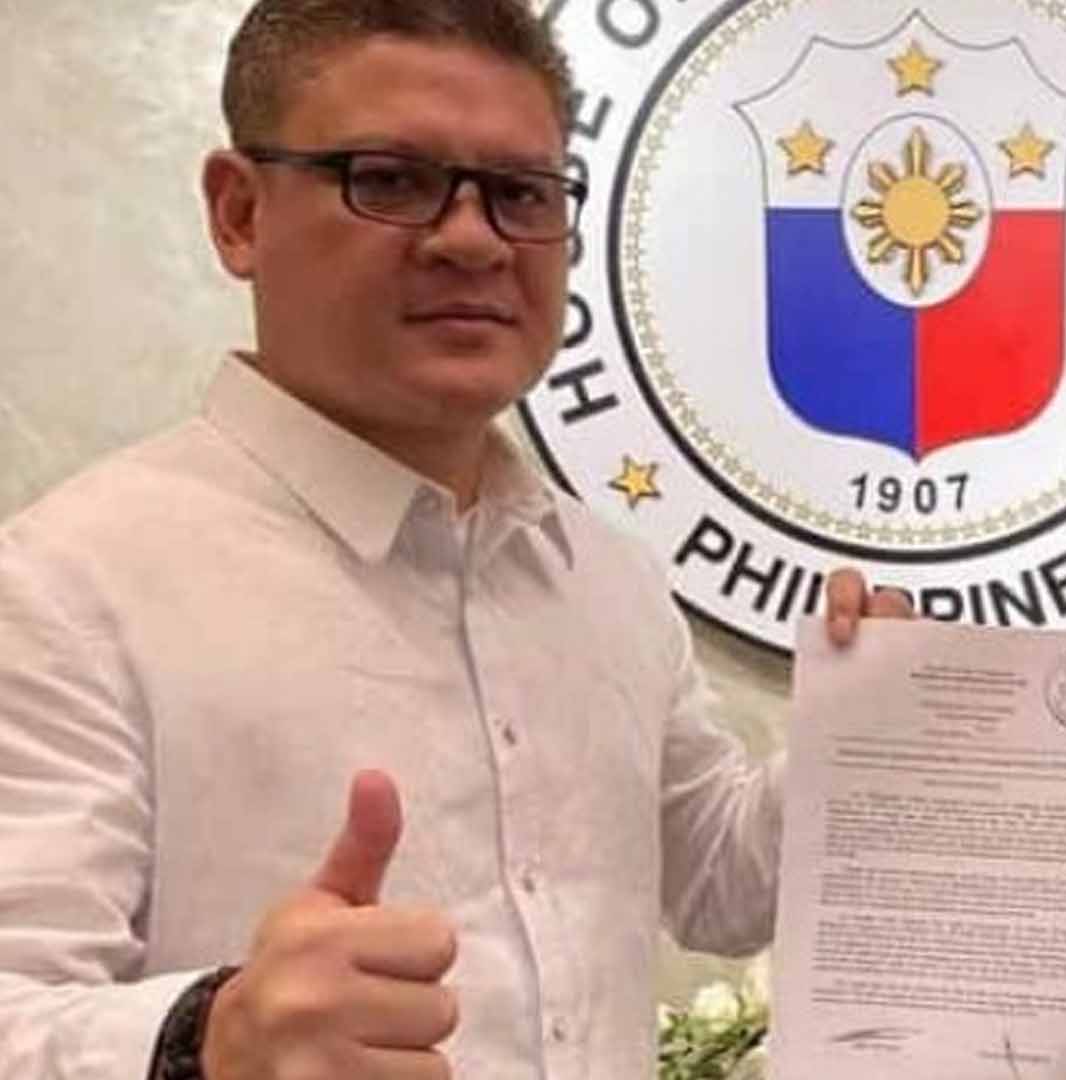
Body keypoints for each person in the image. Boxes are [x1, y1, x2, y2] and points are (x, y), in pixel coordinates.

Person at [0, 2, 901, 1077]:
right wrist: (210, 1039)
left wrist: (868, 731)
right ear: (239, 213)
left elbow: (716, 881)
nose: (472, 239)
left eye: (520, 193)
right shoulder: (65, 590)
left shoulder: (606, 578)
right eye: (388, 178)